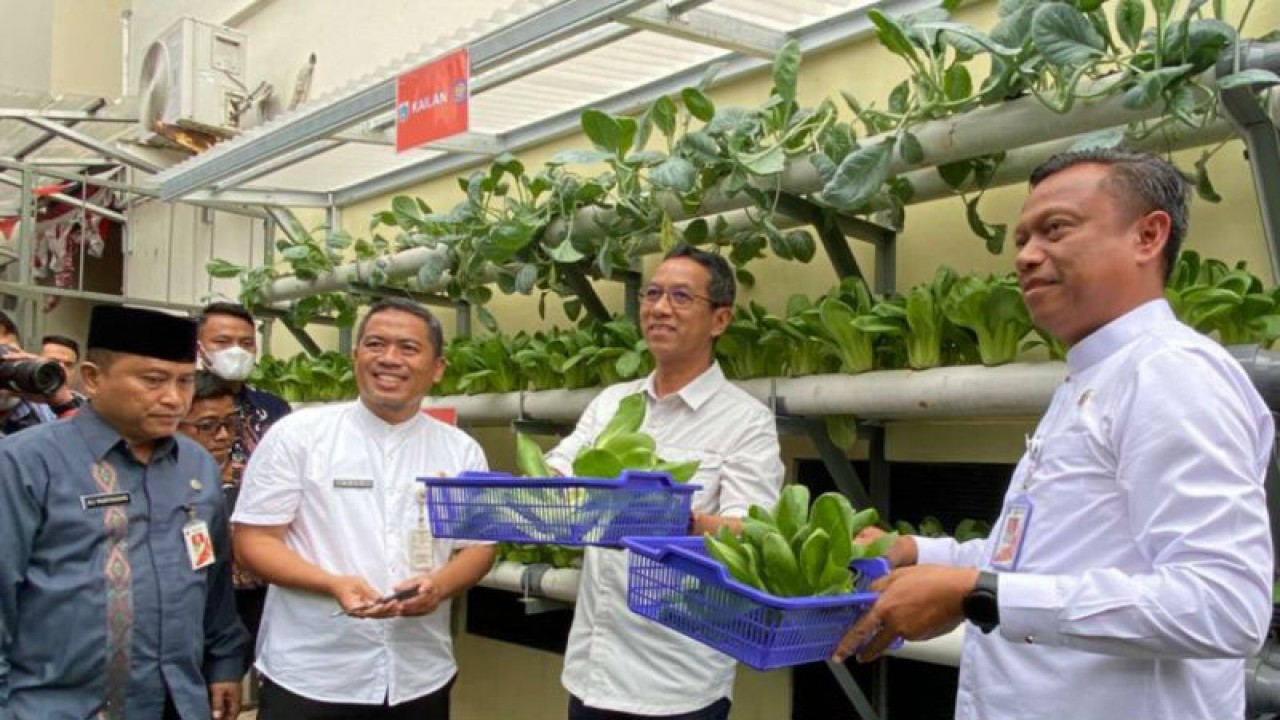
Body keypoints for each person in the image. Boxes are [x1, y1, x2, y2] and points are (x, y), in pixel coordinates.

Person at [834, 150, 1275, 719]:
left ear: (1148, 236)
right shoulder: (1092, 379)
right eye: (1020, 240)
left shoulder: (1169, 374)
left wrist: (978, 594)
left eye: (1055, 229)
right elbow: (1045, 560)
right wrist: (917, 552)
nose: (1026, 256)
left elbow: (1222, 605)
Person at [547, 246, 785, 720]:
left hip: (679, 680)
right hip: (591, 668)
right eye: (651, 294)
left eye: (680, 297)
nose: (658, 308)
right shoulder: (614, 402)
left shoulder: (746, 421)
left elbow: (752, 534)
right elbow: (557, 472)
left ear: (719, 320)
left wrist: (676, 517)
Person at [232, 298, 495, 720]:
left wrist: (440, 586)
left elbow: (478, 548)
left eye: (408, 348)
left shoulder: (460, 449)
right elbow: (254, 541)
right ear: (355, 356)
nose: (389, 358)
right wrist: (332, 583)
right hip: (313, 673)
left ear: (438, 367)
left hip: (419, 674)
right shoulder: (298, 436)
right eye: (375, 344)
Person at [0, 304, 248, 719]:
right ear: (93, 378)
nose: (173, 398)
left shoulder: (197, 464)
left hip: (177, 702)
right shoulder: (26, 462)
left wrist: (223, 659)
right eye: (153, 380)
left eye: (184, 381)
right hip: (57, 706)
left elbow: (212, 573)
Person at [196, 302, 290, 483]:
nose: (236, 351)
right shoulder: (181, 406)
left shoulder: (274, 409)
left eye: (246, 343)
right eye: (222, 342)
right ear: (199, 348)